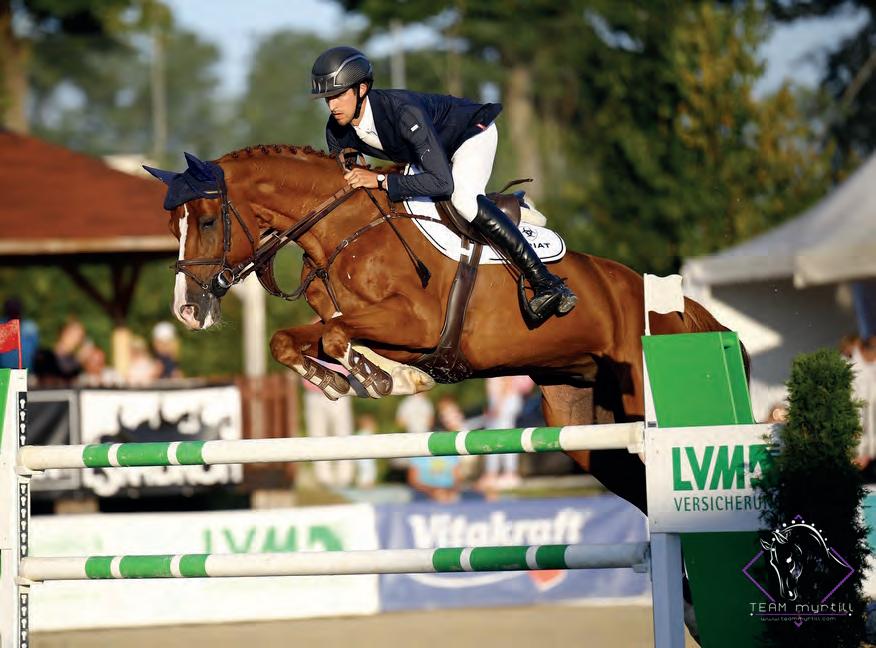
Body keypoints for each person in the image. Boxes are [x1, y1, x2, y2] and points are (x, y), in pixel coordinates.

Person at [310, 46, 576, 323]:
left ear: (362, 89)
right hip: (429, 154)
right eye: (328, 98)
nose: (332, 106)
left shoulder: (403, 113)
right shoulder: (336, 131)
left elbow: (441, 183)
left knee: (463, 199)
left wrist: (380, 180)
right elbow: (350, 187)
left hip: (470, 135)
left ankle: (546, 282)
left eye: (339, 95)